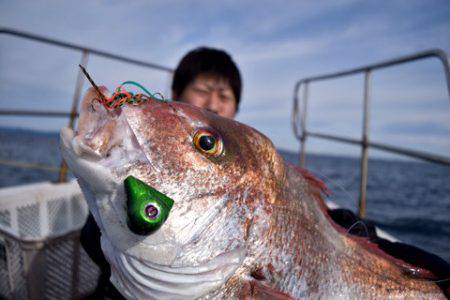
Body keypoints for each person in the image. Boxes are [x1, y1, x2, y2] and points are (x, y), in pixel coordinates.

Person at [81, 47, 242, 299]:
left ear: (236, 107)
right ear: (176, 94)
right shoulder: (144, 151)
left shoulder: (245, 171)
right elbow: (90, 239)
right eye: (202, 92)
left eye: (224, 96)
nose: (213, 105)